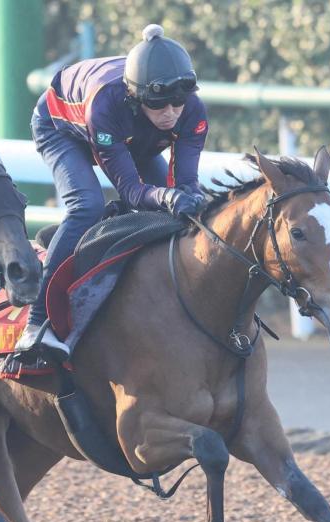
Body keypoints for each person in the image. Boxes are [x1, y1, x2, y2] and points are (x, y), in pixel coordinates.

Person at [16, 24, 209, 358]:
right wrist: (164, 197)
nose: (170, 114)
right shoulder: (106, 106)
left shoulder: (192, 110)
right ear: (136, 98)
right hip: (61, 126)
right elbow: (133, 191)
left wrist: (187, 199)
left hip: (130, 132)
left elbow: (186, 184)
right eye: (159, 104)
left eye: (177, 103)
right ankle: (37, 323)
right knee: (87, 205)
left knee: (184, 209)